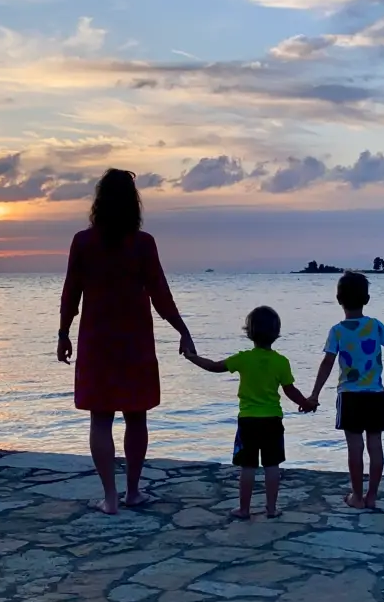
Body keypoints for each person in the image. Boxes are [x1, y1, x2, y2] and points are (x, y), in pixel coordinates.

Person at [58, 169, 195, 515]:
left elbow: (70, 294)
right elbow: (160, 294)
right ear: (133, 202)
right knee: (136, 417)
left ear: (99, 201)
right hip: (135, 342)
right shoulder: (142, 243)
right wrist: (182, 329)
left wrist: (63, 333)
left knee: (100, 419)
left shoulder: (84, 242)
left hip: (98, 340)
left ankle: (110, 497)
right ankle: (133, 491)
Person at [305, 271, 384, 511]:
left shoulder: (337, 331)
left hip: (349, 396)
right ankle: (372, 495)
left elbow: (327, 363)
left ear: (338, 299)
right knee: (375, 445)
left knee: (355, 448)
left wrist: (314, 394)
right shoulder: (375, 326)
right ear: (366, 299)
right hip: (375, 395)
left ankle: (357, 496)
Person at [184, 305, 312, 519]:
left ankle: (244, 509)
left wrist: (191, 357)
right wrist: (306, 403)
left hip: (248, 421)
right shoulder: (281, 362)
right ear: (276, 333)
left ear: (249, 332)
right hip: (272, 420)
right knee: (272, 466)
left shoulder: (243, 358)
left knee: (248, 466)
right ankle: (271, 509)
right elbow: (290, 390)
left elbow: (214, 367)